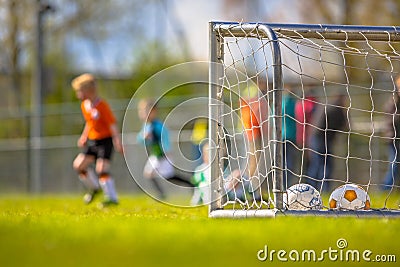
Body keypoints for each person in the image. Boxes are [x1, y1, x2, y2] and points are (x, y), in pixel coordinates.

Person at [71, 73, 122, 207]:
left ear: (88, 91)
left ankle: (112, 198)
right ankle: (95, 188)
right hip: (93, 141)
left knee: (101, 169)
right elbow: (89, 123)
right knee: (78, 165)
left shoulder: (102, 105)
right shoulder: (85, 105)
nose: (78, 94)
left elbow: (112, 124)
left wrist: (117, 141)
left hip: (105, 141)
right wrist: (84, 136)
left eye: (79, 91)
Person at [137, 99, 192, 200]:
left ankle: (191, 183)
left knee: (168, 176)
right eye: (141, 112)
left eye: (145, 111)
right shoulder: (146, 126)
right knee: (149, 174)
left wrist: (167, 151)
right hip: (155, 155)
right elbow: (140, 139)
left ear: (153, 112)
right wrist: (143, 137)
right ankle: (161, 194)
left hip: (163, 155)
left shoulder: (157, 125)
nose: (143, 114)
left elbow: (165, 137)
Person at [307, 94, 348, 191]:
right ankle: (323, 188)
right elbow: (345, 125)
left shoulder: (327, 106)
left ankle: (313, 188)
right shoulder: (336, 110)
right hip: (321, 139)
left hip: (316, 137)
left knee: (317, 164)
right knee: (324, 165)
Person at [382, 76, 400, 190]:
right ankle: (385, 189)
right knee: (394, 165)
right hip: (393, 139)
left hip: (396, 137)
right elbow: (393, 120)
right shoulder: (394, 102)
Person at [294, 89, 317, 171]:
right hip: (309, 137)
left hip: (300, 137)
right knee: (310, 162)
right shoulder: (309, 105)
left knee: (303, 162)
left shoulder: (298, 104)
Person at [282, 86, 298, 188]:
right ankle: (286, 185)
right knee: (289, 163)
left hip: (280, 137)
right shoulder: (293, 104)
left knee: (283, 163)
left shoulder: (279, 103)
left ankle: (283, 185)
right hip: (290, 137)